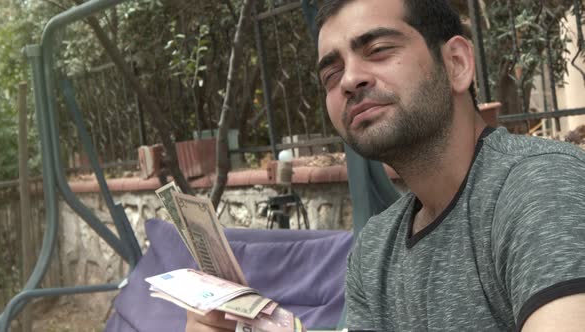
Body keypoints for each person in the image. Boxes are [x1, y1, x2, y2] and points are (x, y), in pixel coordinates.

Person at [186, 0, 585, 330]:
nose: (349, 80)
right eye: (331, 73)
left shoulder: (539, 187)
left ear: (457, 63)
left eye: (378, 51)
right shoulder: (377, 248)